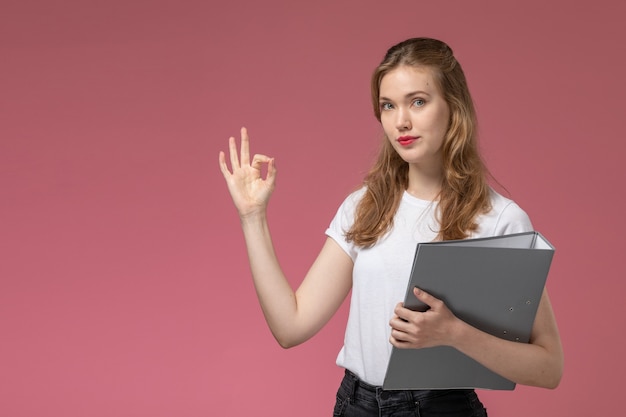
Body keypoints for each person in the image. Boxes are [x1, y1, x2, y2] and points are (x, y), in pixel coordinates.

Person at [218, 37, 563, 417]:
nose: (401, 121)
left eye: (418, 101)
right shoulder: (364, 207)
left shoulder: (501, 220)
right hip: (356, 405)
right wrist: (252, 217)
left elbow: (547, 367)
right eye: (388, 106)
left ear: (454, 106)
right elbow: (291, 327)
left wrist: (454, 333)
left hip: (441, 408)